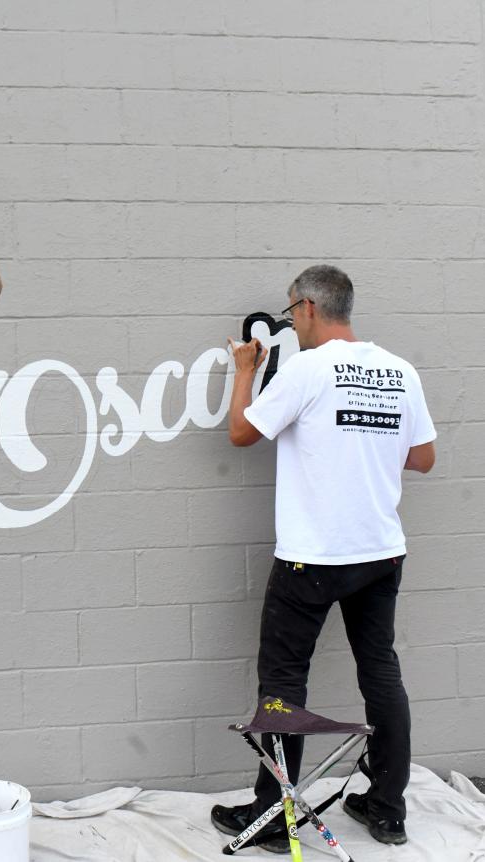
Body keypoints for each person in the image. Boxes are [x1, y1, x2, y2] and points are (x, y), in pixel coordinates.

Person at [210, 265, 436, 852]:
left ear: (307, 308)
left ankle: (271, 813)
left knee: (284, 683)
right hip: (380, 552)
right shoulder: (400, 369)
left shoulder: (308, 369)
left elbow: (240, 433)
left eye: (291, 313)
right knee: (381, 675)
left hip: (312, 558)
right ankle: (387, 808)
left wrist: (245, 371)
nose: (292, 324)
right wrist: (366, 445)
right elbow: (423, 457)